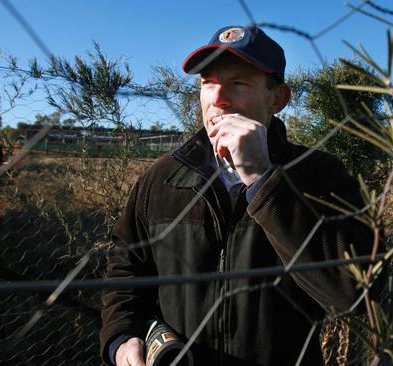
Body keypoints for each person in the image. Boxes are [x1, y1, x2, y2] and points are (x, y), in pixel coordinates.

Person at [100, 25, 374, 366]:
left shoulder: (319, 174)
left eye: (238, 83)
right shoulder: (161, 178)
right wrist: (122, 338)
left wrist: (262, 177)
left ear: (278, 99)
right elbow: (126, 271)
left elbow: (356, 293)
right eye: (208, 82)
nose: (217, 99)